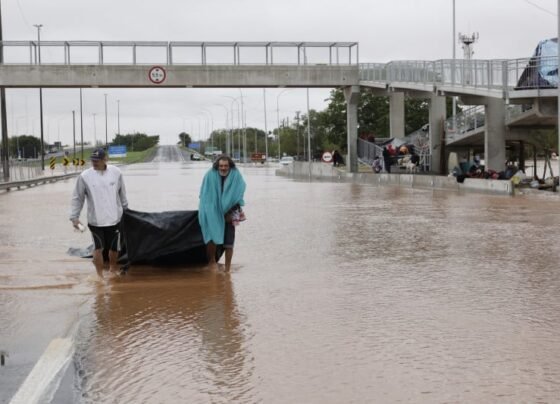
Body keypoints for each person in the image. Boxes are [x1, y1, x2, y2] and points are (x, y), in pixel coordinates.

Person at [70, 148, 128, 279]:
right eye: (93, 160)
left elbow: (122, 194)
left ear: (105, 159)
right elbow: (77, 198)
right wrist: (74, 217)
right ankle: (99, 277)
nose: (94, 163)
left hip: (114, 219)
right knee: (98, 248)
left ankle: (112, 271)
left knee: (114, 247)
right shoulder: (85, 176)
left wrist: (126, 210)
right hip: (95, 220)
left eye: (97, 160)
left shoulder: (116, 173)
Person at [198, 155, 246, 272]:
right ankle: (212, 262)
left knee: (229, 241)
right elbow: (204, 195)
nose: (223, 168)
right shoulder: (210, 175)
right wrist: (208, 211)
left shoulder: (236, 175)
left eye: (225, 166)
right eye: (221, 166)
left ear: (230, 166)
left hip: (231, 211)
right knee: (211, 237)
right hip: (213, 211)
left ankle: (228, 269)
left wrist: (228, 211)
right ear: (217, 166)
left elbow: (239, 193)